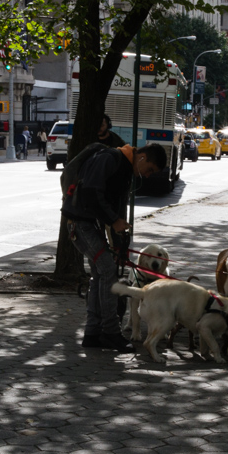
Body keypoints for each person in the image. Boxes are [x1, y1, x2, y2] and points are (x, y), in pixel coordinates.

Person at [62, 142, 167, 352]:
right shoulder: (110, 159)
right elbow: (92, 193)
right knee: (107, 271)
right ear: (143, 158)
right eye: (149, 170)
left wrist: (119, 246)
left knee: (100, 273)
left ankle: (93, 333)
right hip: (80, 223)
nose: (147, 176)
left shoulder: (125, 170)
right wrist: (113, 220)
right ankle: (110, 332)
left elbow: (118, 209)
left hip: (89, 224)